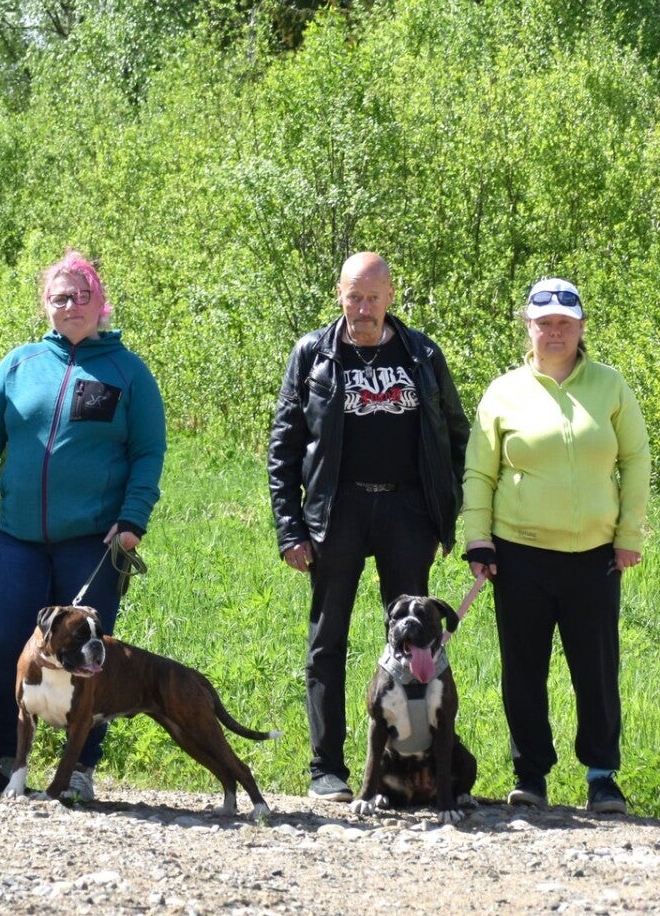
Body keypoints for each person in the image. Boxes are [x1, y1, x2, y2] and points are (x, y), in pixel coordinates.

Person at [0, 250, 165, 801]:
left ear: (101, 303)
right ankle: (2, 754)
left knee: (89, 656)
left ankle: (80, 768)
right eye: (61, 297)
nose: (72, 306)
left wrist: (133, 518)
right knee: (5, 647)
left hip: (94, 541)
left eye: (83, 296)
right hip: (19, 538)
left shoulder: (128, 372)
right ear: (46, 303)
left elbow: (148, 451)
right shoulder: (19, 365)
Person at [268, 251, 468, 801]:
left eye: (373, 297)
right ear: (339, 294)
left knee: (417, 641)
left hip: (408, 512)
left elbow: (457, 436)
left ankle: (417, 766)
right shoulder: (312, 354)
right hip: (338, 512)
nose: (362, 308)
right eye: (354, 296)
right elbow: (283, 446)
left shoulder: (422, 354)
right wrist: (290, 528)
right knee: (327, 639)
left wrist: (448, 512)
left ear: (390, 297)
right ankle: (326, 768)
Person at [462, 278, 648, 814]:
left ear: (581, 327)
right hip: (518, 553)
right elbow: (479, 471)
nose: (555, 332)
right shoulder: (503, 392)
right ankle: (531, 775)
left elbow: (636, 459)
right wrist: (478, 539)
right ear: (529, 327)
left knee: (597, 671)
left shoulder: (611, 386)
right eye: (545, 323)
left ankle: (602, 777)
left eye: (565, 322)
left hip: (595, 555)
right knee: (524, 669)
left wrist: (628, 534)